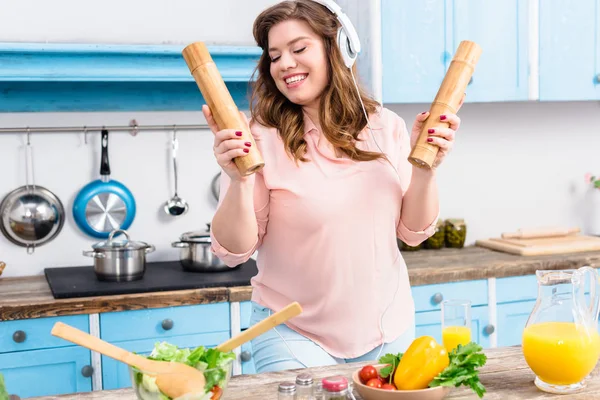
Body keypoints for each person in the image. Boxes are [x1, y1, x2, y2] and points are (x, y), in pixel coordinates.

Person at [202, 0, 463, 373]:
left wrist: (427, 171)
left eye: (298, 48)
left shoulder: (385, 127)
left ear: (336, 48)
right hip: (291, 330)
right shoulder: (260, 137)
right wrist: (239, 180)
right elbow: (234, 251)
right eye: (274, 56)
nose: (284, 64)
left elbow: (414, 232)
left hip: (389, 328)